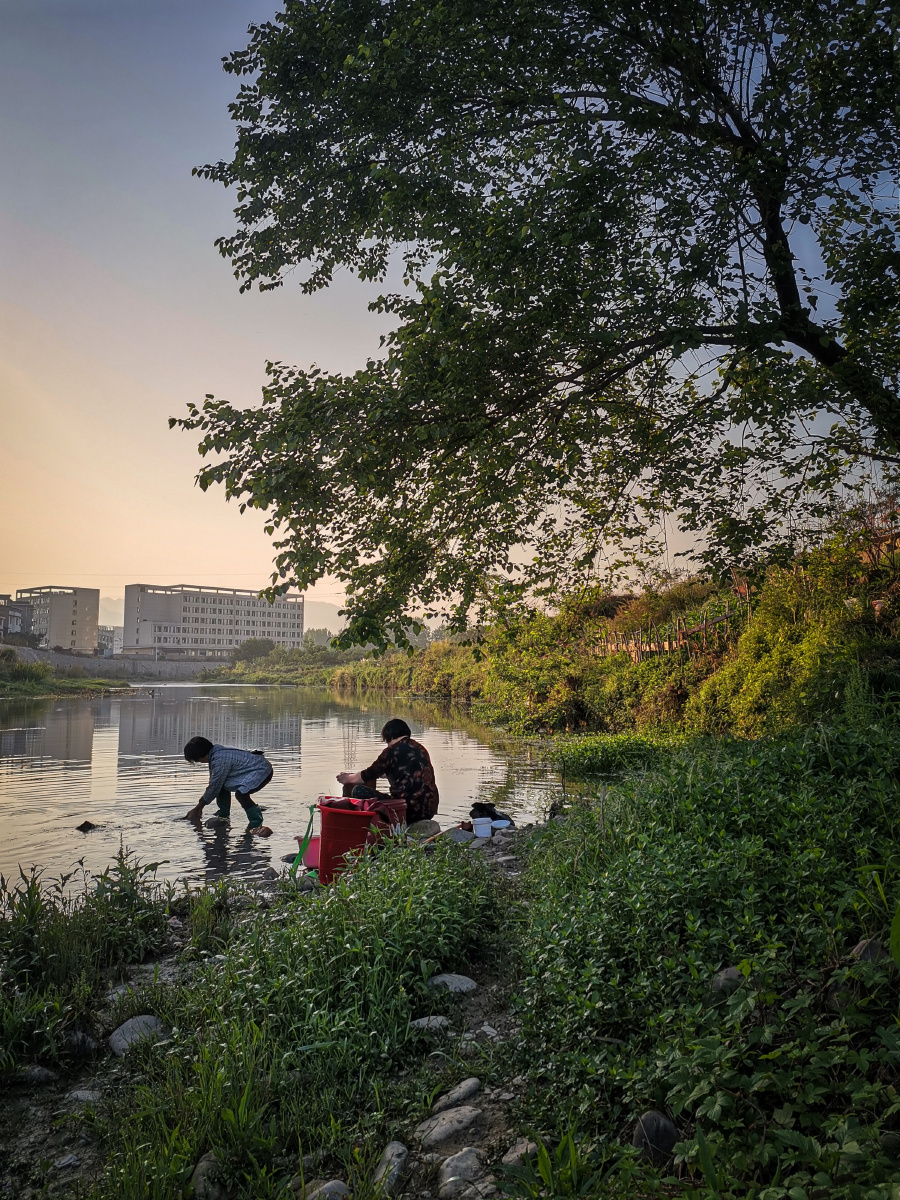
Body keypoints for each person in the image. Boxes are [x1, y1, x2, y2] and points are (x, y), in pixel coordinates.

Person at [336, 718, 439, 825]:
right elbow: (409, 772)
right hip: (428, 809)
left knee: (359, 790)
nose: (387, 745)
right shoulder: (420, 748)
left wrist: (348, 778)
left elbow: (368, 774)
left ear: (390, 737)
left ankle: (361, 826)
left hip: (406, 811)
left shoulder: (391, 751)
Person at [183, 736, 273, 833]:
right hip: (251, 769)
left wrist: (198, 808)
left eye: (198, 761)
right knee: (221, 785)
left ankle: (256, 822)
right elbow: (214, 783)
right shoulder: (215, 754)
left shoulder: (219, 760)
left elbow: (213, 787)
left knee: (241, 794)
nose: (200, 762)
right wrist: (200, 806)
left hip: (261, 770)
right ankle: (223, 815)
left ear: (201, 756)